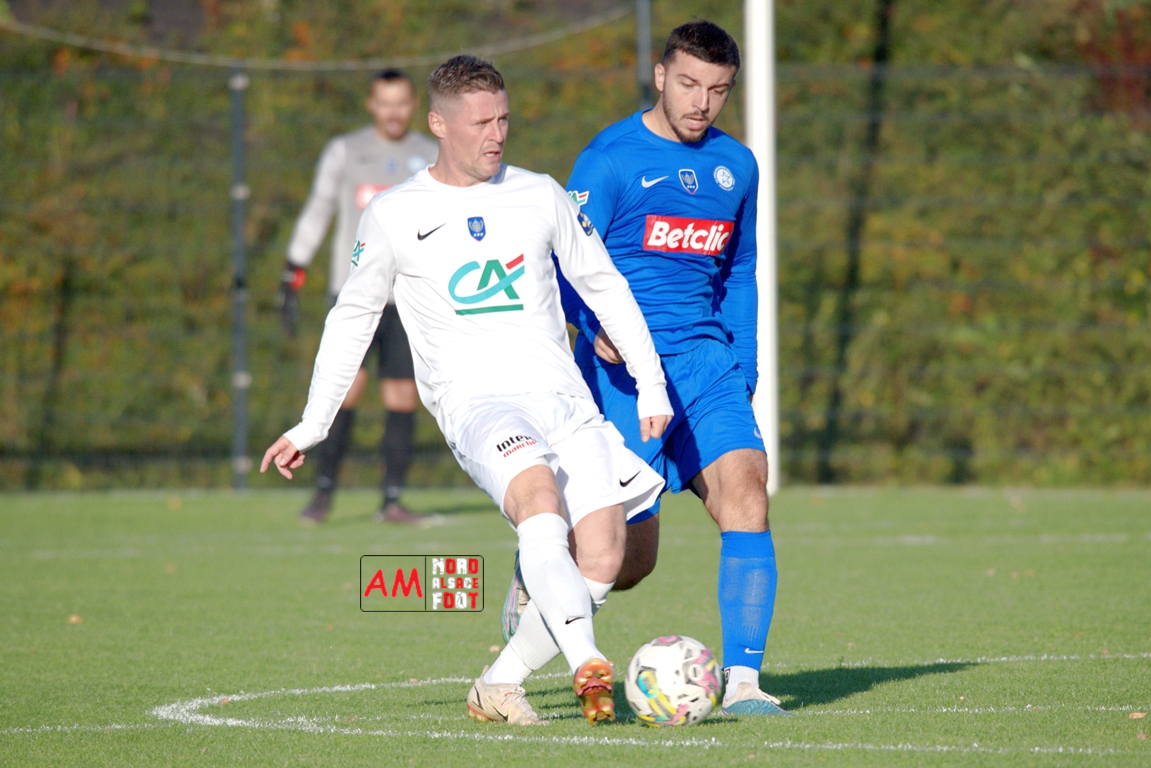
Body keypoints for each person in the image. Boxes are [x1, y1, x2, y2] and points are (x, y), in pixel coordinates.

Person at [261, 55, 673, 726]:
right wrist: (314, 423)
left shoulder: (540, 194)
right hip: (478, 404)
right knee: (538, 500)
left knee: (604, 558)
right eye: (481, 123)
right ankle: (588, 664)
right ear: (439, 125)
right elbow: (352, 318)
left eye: (504, 119)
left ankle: (499, 682)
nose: (496, 135)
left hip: (564, 400)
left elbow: (604, 286)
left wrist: (651, 383)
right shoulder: (395, 213)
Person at [503, 20, 791, 717]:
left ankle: (744, 683)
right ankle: (539, 574)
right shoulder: (609, 161)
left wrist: (745, 366)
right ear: (661, 77)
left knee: (748, 492)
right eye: (689, 84)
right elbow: (559, 258)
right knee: (628, 561)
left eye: (718, 90)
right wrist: (593, 324)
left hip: (708, 365)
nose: (702, 102)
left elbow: (741, 269)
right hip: (623, 375)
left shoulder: (737, 167)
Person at [277, 69, 438, 525]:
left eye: (402, 102)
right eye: (385, 103)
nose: (394, 112)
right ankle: (322, 493)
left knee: (402, 395)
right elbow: (319, 209)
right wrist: (294, 267)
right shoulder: (345, 151)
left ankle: (392, 500)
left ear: (414, 105)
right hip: (354, 296)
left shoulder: (432, 155)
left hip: (407, 299)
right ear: (372, 104)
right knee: (343, 392)